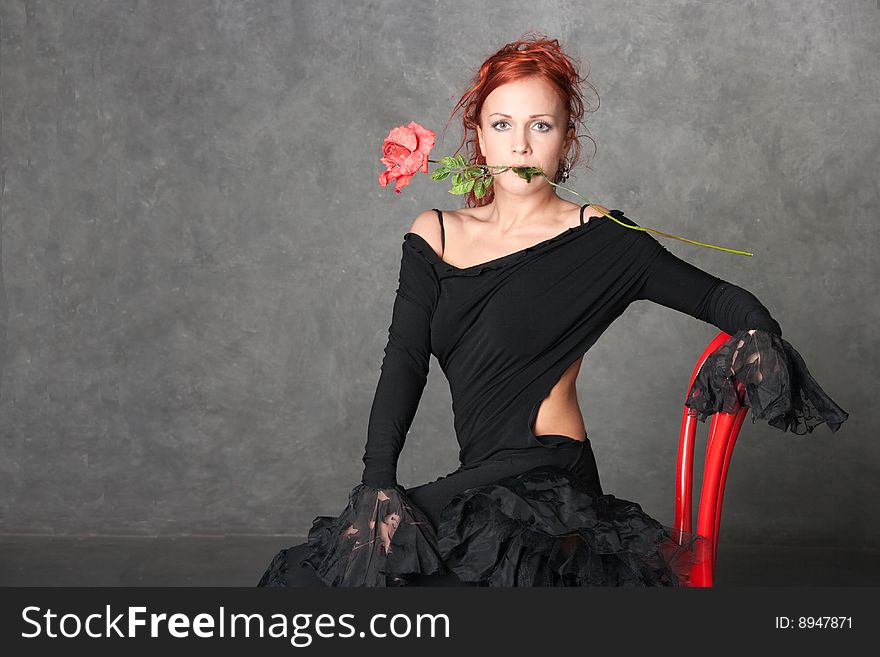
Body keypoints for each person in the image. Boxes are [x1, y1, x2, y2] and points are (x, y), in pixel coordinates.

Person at [257, 34, 848, 588]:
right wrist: (377, 485)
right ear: (479, 137)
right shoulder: (433, 235)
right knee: (332, 569)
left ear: (566, 140)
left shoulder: (603, 238)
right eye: (502, 125)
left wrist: (758, 336)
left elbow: (720, 297)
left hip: (549, 483)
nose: (520, 145)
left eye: (540, 126)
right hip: (485, 481)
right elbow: (404, 361)